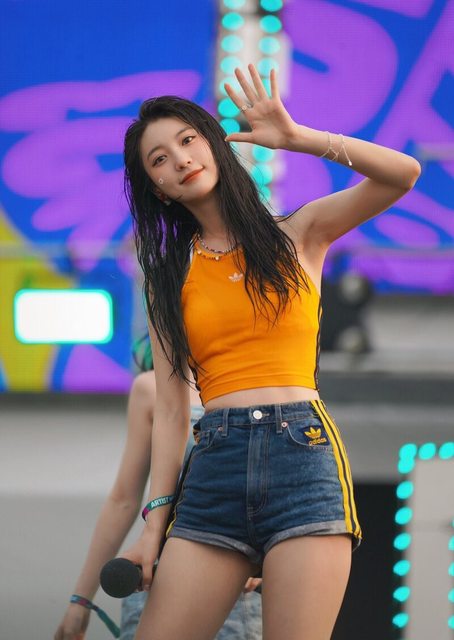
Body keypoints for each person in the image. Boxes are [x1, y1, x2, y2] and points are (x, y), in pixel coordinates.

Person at [122, 63, 421, 640]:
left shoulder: (299, 233)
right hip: (215, 465)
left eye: (188, 140)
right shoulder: (166, 278)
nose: (180, 159)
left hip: (302, 455)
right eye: (160, 159)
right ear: (157, 188)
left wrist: (297, 137)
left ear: (214, 145)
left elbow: (402, 174)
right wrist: (153, 526)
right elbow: (173, 412)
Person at [54, 366, 262, 640]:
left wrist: (263, 560)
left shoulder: (274, 382)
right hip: (157, 578)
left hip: (238, 591)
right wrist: (81, 600)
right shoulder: (150, 387)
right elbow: (123, 500)